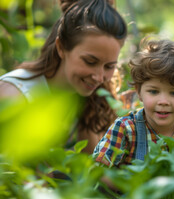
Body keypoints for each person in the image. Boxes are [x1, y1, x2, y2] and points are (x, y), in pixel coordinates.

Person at [0, 0, 127, 154]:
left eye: (109, 66)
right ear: (61, 48)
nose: (99, 77)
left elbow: (96, 166)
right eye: (90, 62)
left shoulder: (84, 98)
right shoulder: (15, 95)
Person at [93, 38, 174, 167]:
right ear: (139, 91)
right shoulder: (125, 129)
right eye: (153, 92)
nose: (163, 102)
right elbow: (98, 172)